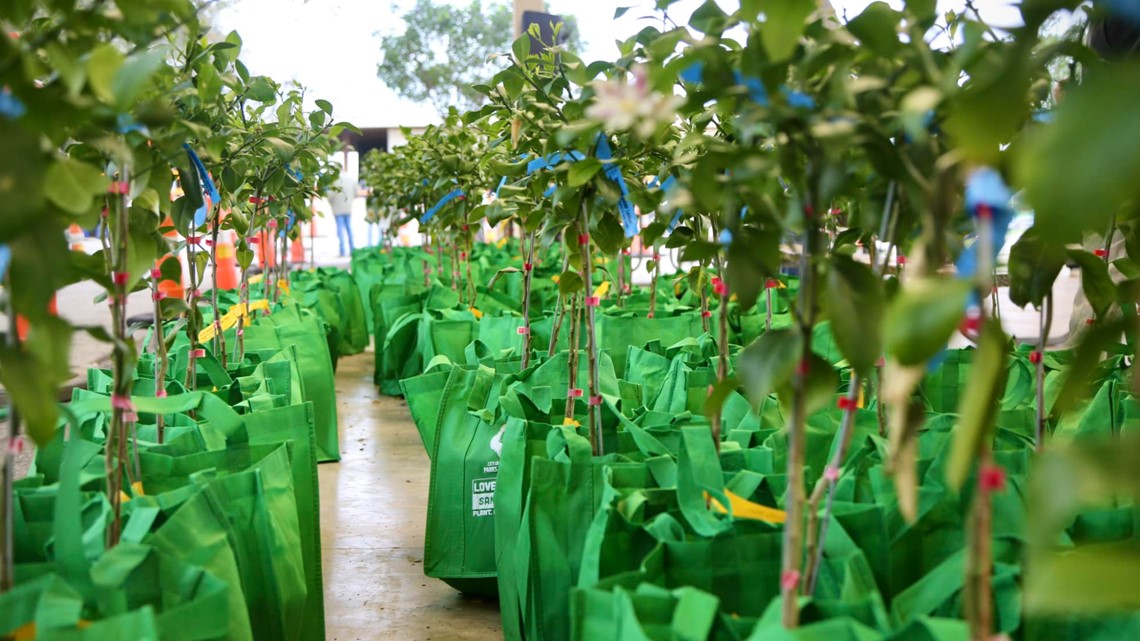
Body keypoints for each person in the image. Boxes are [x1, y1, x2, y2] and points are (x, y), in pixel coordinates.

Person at [327, 170, 364, 257]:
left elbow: (330, 195)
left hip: (337, 208)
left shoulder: (334, 180)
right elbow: (356, 192)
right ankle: (352, 249)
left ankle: (342, 251)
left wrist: (330, 201)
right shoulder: (351, 179)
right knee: (349, 228)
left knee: (340, 229)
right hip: (348, 207)